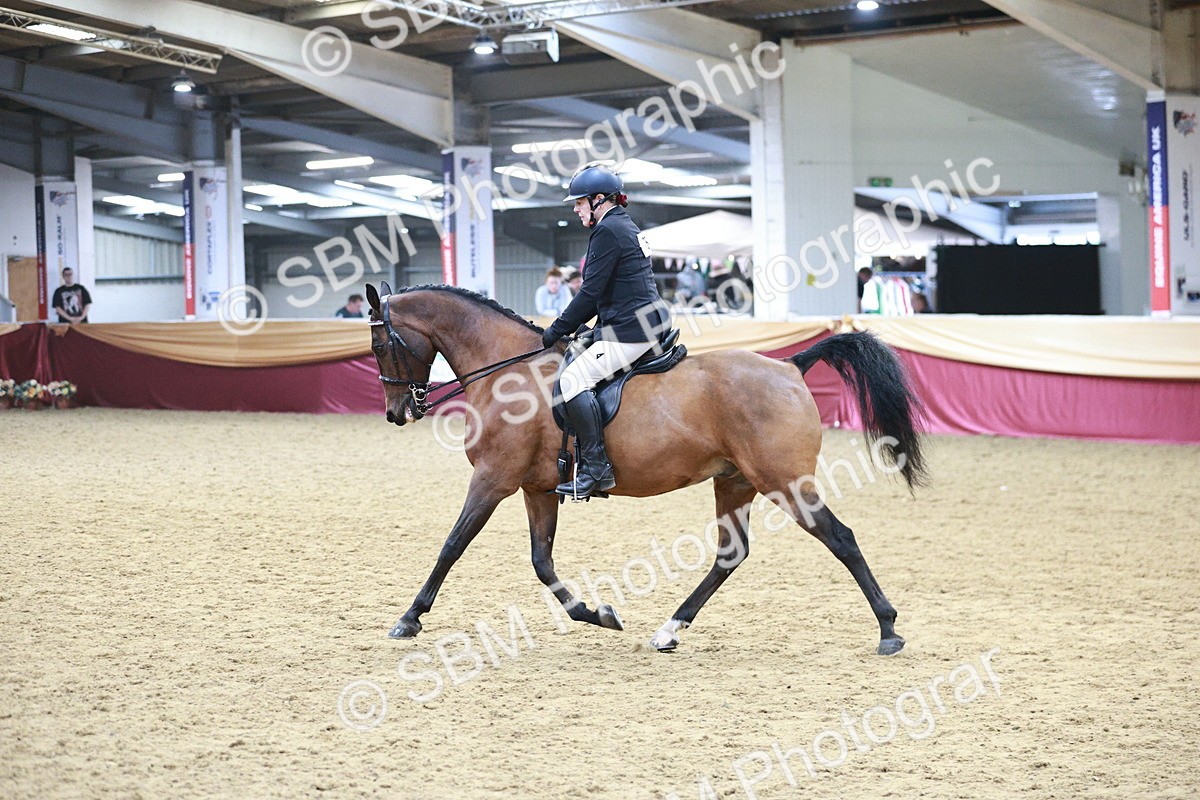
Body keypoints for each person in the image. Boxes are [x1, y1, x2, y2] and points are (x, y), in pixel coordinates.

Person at [540, 164, 669, 499]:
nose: (575, 208)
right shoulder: (622, 225)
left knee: (572, 380)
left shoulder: (607, 231)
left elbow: (590, 293)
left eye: (580, 202)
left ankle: (596, 467)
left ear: (598, 200)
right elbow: (612, 290)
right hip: (638, 321)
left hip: (630, 331)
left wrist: (556, 329)